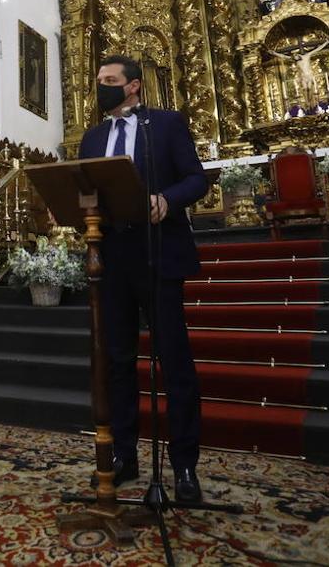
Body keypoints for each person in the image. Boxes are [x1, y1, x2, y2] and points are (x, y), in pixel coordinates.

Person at [78, 55, 209, 504]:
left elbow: (196, 179)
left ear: (133, 86)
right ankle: (125, 455)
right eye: (99, 80)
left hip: (158, 253)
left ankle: (185, 466)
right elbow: (83, 191)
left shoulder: (166, 125)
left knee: (174, 361)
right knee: (116, 361)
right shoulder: (92, 137)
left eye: (110, 81)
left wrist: (166, 200)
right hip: (111, 258)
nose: (102, 88)